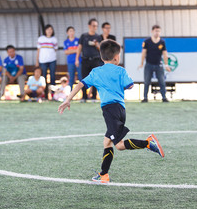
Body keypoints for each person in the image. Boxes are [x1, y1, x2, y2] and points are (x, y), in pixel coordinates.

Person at [58, 40, 164, 183]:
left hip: (110, 111)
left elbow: (80, 84)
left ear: (102, 58)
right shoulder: (120, 70)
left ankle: (148, 143)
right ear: (116, 57)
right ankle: (104, 175)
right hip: (120, 109)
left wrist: (67, 99)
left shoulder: (96, 72)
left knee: (119, 145)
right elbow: (130, 85)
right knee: (107, 143)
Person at [139, 25, 171, 103]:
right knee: (146, 81)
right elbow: (144, 53)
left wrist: (166, 65)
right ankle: (145, 98)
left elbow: (165, 54)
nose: (157, 33)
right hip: (149, 64)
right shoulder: (147, 41)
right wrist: (142, 63)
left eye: (159, 31)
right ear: (152, 31)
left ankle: (164, 97)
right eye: (156, 31)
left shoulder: (162, 42)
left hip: (158, 65)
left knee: (162, 81)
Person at [76, 18, 102, 101]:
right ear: (89, 26)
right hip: (85, 60)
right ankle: (84, 96)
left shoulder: (98, 37)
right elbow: (79, 47)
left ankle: (94, 97)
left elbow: (101, 49)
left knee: (95, 78)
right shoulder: (84, 36)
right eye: (93, 26)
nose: (95, 27)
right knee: (84, 78)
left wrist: (97, 44)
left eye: (96, 26)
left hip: (95, 60)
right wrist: (77, 59)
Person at [36, 24, 58, 91]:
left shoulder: (54, 39)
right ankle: (45, 94)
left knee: (52, 76)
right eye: (48, 29)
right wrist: (37, 61)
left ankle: (53, 93)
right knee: (43, 77)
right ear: (45, 30)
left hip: (52, 60)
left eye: (51, 29)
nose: (49, 31)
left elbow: (55, 49)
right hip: (42, 61)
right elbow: (38, 51)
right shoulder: (41, 39)